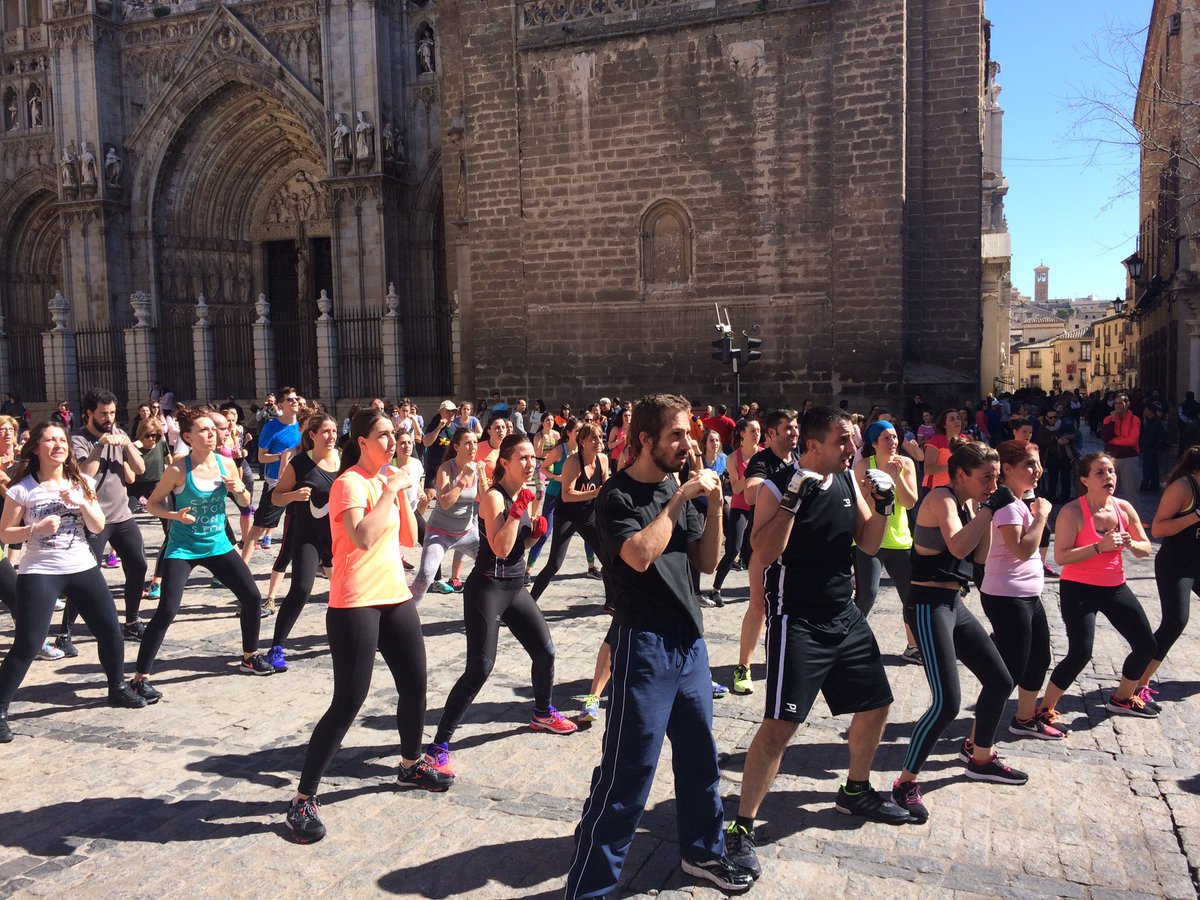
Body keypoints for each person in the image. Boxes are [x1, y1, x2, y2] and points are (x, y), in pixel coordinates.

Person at [565, 394, 750, 897]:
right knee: (629, 775)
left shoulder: (678, 487)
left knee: (699, 760)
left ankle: (703, 853)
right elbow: (639, 556)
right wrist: (676, 500)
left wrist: (712, 505)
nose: (687, 443)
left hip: (689, 644)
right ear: (645, 439)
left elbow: (707, 563)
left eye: (688, 434)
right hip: (642, 645)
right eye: (676, 435)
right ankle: (590, 888)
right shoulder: (617, 496)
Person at [724, 407, 907, 884]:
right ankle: (742, 825)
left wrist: (883, 505)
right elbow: (762, 553)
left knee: (876, 704)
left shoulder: (848, 480)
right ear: (813, 445)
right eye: (844, 440)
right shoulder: (779, 481)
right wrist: (791, 500)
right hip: (796, 618)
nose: (854, 448)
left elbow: (867, 544)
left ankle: (856, 789)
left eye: (854, 441)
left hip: (842, 614)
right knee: (780, 725)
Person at [285, 410, 452, 844]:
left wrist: (402, 494)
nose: (392, 441)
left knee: (415, 684)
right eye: (383, 435)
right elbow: (361, 537)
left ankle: (411, 763)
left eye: (394, 435)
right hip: (355, 602)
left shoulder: (386, 480)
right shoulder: (349, 483)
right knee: (348, 702)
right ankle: (302, 798)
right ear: (361, 441)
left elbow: (410, 537)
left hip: (394, 596)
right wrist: (390, 490)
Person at [426, 433, 576, 779]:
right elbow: (500, 547)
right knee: (480, 667)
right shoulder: (493, 497)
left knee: (546, 652)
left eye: (531, 459)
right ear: (504, 463)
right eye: (522, 458)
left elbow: (520, 544)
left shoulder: (521, 493)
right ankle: (438, 747)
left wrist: (535, 532)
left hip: (515, 587)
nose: (529, 464)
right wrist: (519, 511)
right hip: (487, 589)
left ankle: (541, 713)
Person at [891, 442, 1025, 826]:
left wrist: (994, 512)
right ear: (961, 474)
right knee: (948, 703)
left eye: (996, 477)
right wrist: (987, 510)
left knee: (1000, 679)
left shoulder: (970, 506)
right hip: (927, 606)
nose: (992, 484)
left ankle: (979, 756)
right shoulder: (941, 499)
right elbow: (958, 544)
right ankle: (904, 784)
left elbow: (977, 559)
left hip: (954, 604)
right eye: (986, 477)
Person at [0, 421, 147, 742]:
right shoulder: (21, 488)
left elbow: (97, 525)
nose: (57, 445)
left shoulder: (80, 480)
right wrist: (33, 531)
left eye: (61, 440)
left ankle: (117, 687)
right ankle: (0, 709)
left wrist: (82, 502)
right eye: (50, 440)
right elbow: (4, 533)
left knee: (109, 630)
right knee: (27, 643)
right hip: (39, 571)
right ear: (36, 448)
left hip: (82, 566)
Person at [133, 408, 273, 703]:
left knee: (251, 598)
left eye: (214, 430)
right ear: (188, 437)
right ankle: (139, 679)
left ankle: (250, 657)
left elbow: (246, 503)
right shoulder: (177, 470)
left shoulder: (226, 464)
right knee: (167, 610)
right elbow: (152, 505)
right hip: (182, 549)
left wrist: (240, 492)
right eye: (205, 430)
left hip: (218, 546)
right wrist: (174, 515)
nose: (213, 434)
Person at [1038, 453, 1157, 723]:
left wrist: (1131, 544)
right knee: (1080, 652)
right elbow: (1062, 557)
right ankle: (1046, 708)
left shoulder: (1123, 508)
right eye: (1100, 473)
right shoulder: (1072, 511)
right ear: (1084, 479)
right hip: (1078, 589)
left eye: (1111, 472)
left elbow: (1145, 548)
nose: (1109, 478)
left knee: (1146, 644)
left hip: (1114, 587)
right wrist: (1097, 547)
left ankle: (1123, 697)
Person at [979, 441, 1063, 740]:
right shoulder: (1006, 506)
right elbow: (1022, 550)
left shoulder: (1020, 502)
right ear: (1007, 469)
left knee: (1039, 658)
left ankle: (1025, 719)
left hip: (1028, 595)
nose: (1037, 470)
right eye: (1029, 464)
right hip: (1007, 596)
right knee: (1008, 673)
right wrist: (1041, 516)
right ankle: (977, 739)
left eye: (1038, 463)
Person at [56, 388, 149, 654]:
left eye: (112, 413)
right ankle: (65, 633)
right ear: (89, 413)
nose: (108, 418)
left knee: (138, 566)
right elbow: (86, 474)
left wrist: (128, 444)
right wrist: (100, 447)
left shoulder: (119, 435)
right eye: (102, 413)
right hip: (94, 519)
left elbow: (138, 473)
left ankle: (131, 620)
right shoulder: (79, 440)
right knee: (85, 575)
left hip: (123, 515)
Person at [731, 408, 799, 696]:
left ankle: (784, 658)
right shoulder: (762, 460)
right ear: (772, 434)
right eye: (788, 428)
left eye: (796, 427)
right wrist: (788, 487)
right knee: (759, 604)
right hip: (762, 542)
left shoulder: (798, 459)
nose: (794, 432)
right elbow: (749, 493)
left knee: (790, 605)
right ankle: (743, 667)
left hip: (793, 542)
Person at [265, 414, 340, 671]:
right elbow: (276, 498)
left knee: (346, 589)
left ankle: (351, 636)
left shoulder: (343, 460)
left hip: (338, 538)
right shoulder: (300, 463)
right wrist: (294, 495)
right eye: (325, 432)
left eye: (334, 431)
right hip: (307, 536)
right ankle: (276, 647)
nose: (331, 436)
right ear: (313, 436)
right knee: (301, 588)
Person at [1136, 447, 1200, 706]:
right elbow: (1159, 528)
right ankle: (1139, 682)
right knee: (1176, 621)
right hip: (1176, 563)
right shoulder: (1183, 487)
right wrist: (1196, 515)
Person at [852, 420, 920, 662]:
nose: (893, 443)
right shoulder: (862, 466)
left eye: (894, 437)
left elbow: (910, 502)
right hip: (870, 538)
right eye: (886, 438)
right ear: (873, 443)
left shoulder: (907, 464)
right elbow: (862, 508)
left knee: (910, 595)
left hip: (899, 540)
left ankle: (913, 647)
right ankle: (847, 642)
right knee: (867, 595)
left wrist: (897, 477)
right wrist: (874, 491)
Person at [531, 421, 609, 601]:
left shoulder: (602, 459)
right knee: (555, 564)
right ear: (582, 442)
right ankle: (529, 601)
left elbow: (605, 488)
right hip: (567, 516)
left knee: (608, 559)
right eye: (593, 439)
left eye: (600, 438)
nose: (598, 442)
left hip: (589, 515)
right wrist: (594, 493)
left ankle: (612, 602)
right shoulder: (573, 462)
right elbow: (566, 495)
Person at [410, 429, 480, 602]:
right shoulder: (446, 468)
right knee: (425, 576)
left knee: (494, 565)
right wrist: (463, 478)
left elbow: (485, 500)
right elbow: (446, 503)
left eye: (475, 442)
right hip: (439, 533)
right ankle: (405, 614)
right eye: (468, 443)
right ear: (456, 446)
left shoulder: (477, 469)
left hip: (467, 532)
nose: (473, 447)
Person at [242, 388, 302, 556]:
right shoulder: (272, 427)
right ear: (281, 405)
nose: (294, 401)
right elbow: (261, 457)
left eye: (296, 398)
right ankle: (243, 566)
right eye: (290, 400)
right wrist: (280, 457)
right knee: (260, 525)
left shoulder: (303, 425)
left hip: (301, 482)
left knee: (304, 525)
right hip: (277, 482)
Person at [710, 418, 762, 604]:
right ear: (742, 434)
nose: (757, 434)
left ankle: (761, 588)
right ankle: (715, 589)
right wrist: (752, 471)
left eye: (758, 430)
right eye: (753, 431)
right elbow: (737, 489)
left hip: (760, 506)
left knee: (759, 550)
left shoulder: (765, 454)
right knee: (733, 549)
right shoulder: (733, 458)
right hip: (740, 506)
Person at [1101, 394, 1141, 501]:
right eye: (1115, 403)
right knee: (1110, 492)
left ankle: (1132, 516)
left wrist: (1113, 440)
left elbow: (1132, 441)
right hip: (1112, 459)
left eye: (1120, 403)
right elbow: (1105, 437)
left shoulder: (1135, 420)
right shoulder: (1108, 419)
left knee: (1131, 493)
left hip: (1129, 458)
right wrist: (1113, 421)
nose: (1118, 406)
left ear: (1127, 404)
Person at [921, 409, 963, 493]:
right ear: (944, 425)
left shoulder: (967, 440)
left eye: (958, 418)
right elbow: (928, 468)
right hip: (935, 489)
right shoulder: (936, 441)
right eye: (952, 419)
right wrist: (952, 467)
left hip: (960, 488)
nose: (957, 421)